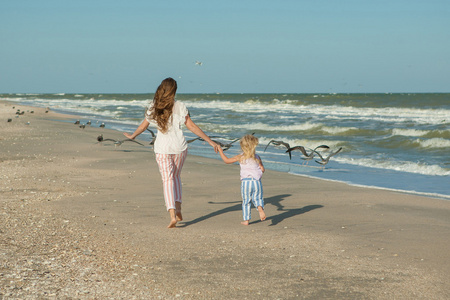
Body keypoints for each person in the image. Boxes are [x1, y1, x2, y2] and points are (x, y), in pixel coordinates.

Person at [123, 77, 219, 228]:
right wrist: (210, 141)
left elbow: (143, 126)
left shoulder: (153, 107)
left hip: (163, 149)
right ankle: (179, 207)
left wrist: (133, 136)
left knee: (167, 180)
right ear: (174, 91)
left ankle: (172, 215)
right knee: (175, 177)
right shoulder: (180, 106)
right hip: (179, 148)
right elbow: (192, 126)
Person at [217, 134, 266, 225]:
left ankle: (246, 220)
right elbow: (262, 169)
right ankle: (260, 209)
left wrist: (220, 151)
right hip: (256, 182)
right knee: (258, 197)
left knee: (246, 201)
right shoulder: (257, 157)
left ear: (242, 146)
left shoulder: (240, 157)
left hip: (246, 183)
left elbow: (226, 161)